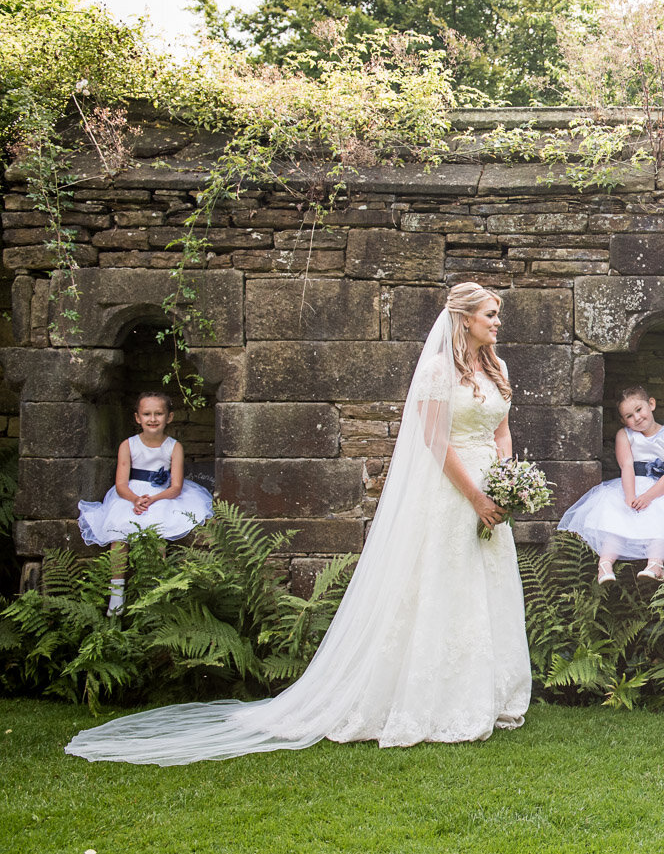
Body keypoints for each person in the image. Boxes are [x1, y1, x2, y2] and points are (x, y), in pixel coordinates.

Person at [66, 283, 531, 764]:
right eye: (491, 314)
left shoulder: (497, 368)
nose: (497, 323)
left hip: (492, 490)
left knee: (484, 584)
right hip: (452, 493)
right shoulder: (437, 371)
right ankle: (433, 699)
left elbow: (502, 430)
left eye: (497, 315)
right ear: (465, 318)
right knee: (442, 582)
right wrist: (475, 496)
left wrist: (507, 482)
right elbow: (434, 441)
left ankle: (486, 695)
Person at [558, 386, 664, 583]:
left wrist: (648, 496)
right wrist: (630, 496)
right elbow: (627, 466)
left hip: (662, 488)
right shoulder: (624, 435)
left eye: (639, 410)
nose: (637, 418)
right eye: (629, 416)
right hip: (631, 483)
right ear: (624, 421)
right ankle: (605, 565)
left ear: (651, 404)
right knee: (619, 514)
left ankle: (655, 564)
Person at [77, 391, 214, 615]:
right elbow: (121, 483)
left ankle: (154, 590)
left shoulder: (174, 446)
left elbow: (176, 486)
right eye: (147, 414)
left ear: (169, 417)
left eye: (158, 414)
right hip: (129, 495)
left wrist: (153, 499)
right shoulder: (128, 445)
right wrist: (135, 499)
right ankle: (117, 593)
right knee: (119, 534)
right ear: (137, 417)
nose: (153, 419)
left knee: (157, 535)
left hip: (163, 496)